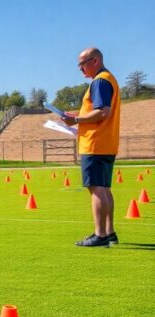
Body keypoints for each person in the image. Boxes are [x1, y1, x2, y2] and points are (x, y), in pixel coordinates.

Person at [61, 48, 121, 248]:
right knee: (104, 188)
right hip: (107, 142)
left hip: (95, 143)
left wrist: (75, 119)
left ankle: (100, 234)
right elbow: (96, 110)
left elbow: (102, 112)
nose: (80, 68)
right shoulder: (109, 79)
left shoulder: (99, 81)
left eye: (82, 63)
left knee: (96, 189)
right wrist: (75, 115)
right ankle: (109, 232)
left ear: (94, 61)